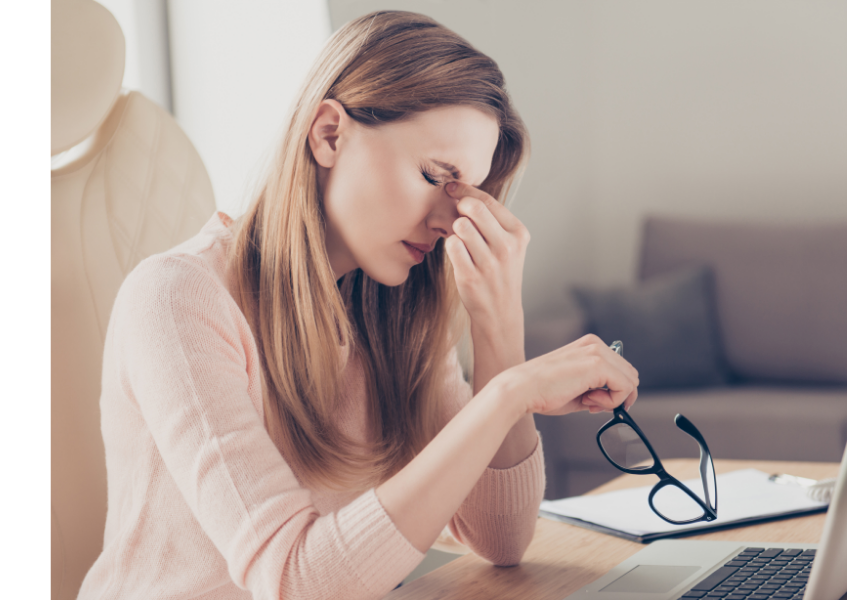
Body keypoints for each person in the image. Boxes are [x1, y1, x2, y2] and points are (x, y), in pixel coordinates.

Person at [77, 10, 639, 600]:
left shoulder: (395, 310)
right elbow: (295, 580)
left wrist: (498, 326)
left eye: (467, 193)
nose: (451, 220)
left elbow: (499, 538)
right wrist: (510, 392)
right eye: (433, 175)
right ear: (328, 134)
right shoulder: (176, 299)